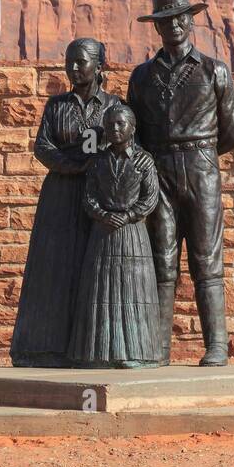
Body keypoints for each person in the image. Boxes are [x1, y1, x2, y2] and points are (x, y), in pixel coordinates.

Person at [128, 0, 234, 366]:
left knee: (206, 259)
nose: (173, 24)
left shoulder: (214, 70)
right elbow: (136, 132)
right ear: (157, 27)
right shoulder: (141, 77)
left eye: (179, 17)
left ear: (190, 21)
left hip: (201, 168)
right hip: (157, 172)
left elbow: (231, 133)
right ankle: (158, 348)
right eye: (165, 19)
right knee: (161, 260)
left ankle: (217, 346)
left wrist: (201, 156)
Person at [9, 38, 120, 367]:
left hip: (98, 195)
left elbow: (123, 146)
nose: (73, 68)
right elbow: (43, 147)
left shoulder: (114, 106)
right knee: (52, 269)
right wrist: (73, 166)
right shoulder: (56, 107)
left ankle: (91, 350)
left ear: (99, 66)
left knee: (94, 269)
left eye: (80, 62)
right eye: (69, 61)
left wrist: (97, 169)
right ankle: (42, 349)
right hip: (60, 195)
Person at [68, 103, 164, 368]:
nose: (115, 128)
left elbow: (151, 196)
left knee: (133, 292)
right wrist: (102, 215)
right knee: (101, 291)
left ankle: (136, 352)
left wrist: (130, 215)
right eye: (110, 124)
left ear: (132, 128)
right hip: (103, 234)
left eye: (120, 124)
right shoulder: (98, 161)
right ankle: (97, 353)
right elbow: (88, 198)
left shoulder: (144, 160)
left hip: (133, 234)